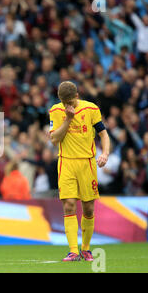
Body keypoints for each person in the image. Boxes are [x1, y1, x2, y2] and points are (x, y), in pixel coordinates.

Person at [49, 81, 110, 262]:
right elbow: (54, 139)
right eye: (64, 103)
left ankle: (85, 249)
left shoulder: (91, 109)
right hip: (66, 162)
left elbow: (103, 134)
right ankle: (73, 251)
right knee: (68, 204)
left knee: (89, 208)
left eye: (70, 102)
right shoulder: (56, 111)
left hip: (87, 163)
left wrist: (105, 153)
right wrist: (68, 118)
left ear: (77, 96)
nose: (68, 106)